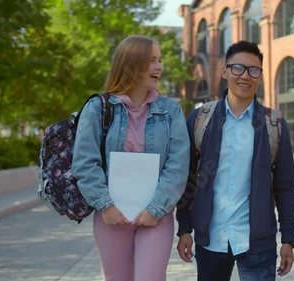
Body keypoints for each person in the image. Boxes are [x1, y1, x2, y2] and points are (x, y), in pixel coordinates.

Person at [175, 40, 294, 281]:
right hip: (211, 239)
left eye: (254, 70)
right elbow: (187, 178)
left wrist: (288, 239)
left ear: (261, 76)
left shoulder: (275, 125)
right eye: (238, 68)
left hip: (258, 243)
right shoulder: (201, 119)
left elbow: (286, 187)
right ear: (224, 71)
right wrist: (184, 228)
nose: (246, 76)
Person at [72, 35, 190, 281]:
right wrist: (106, 206)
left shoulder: (171, 110)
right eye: (151, 61)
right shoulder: (97, 108)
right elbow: (85, 162)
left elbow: (178, 166)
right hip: (112, 217)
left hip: (157, 217)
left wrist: (156, 209)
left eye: (160, 60)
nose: (159, 67)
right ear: (130, 64)